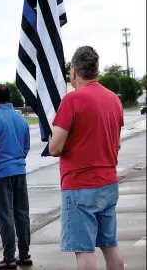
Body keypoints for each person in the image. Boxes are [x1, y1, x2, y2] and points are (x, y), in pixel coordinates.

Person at [49, 46, 125, 270]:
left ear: (74, 72)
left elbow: (55, 147)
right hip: (109, 183)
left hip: (80, 185)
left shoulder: (72, 100)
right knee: (110, 245)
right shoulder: (114, 100)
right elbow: (117, 143)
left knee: (84, 251)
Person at [0, 84, 32, 270]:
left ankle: (9, 257)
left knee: (5, 215)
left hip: (0, 173)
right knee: (22, 213)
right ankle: (24, 255)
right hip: (19, 170)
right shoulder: (20, 119)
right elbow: (26, 146)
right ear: (9, 98)